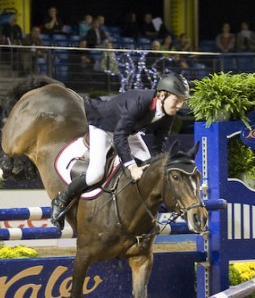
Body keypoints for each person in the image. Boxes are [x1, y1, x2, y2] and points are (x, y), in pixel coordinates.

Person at [49, 72, 191, 229]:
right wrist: (132, 166)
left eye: (182, 102)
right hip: (104, 126)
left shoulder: (168, 113)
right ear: (162, 95)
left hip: (129, 131)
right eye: (177, 100)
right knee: (96, 174)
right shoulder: (139, 102)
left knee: (149, 168)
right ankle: (62, 199)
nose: (179, 106)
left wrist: (160, 164)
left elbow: (159, 143)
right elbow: (119, 136)